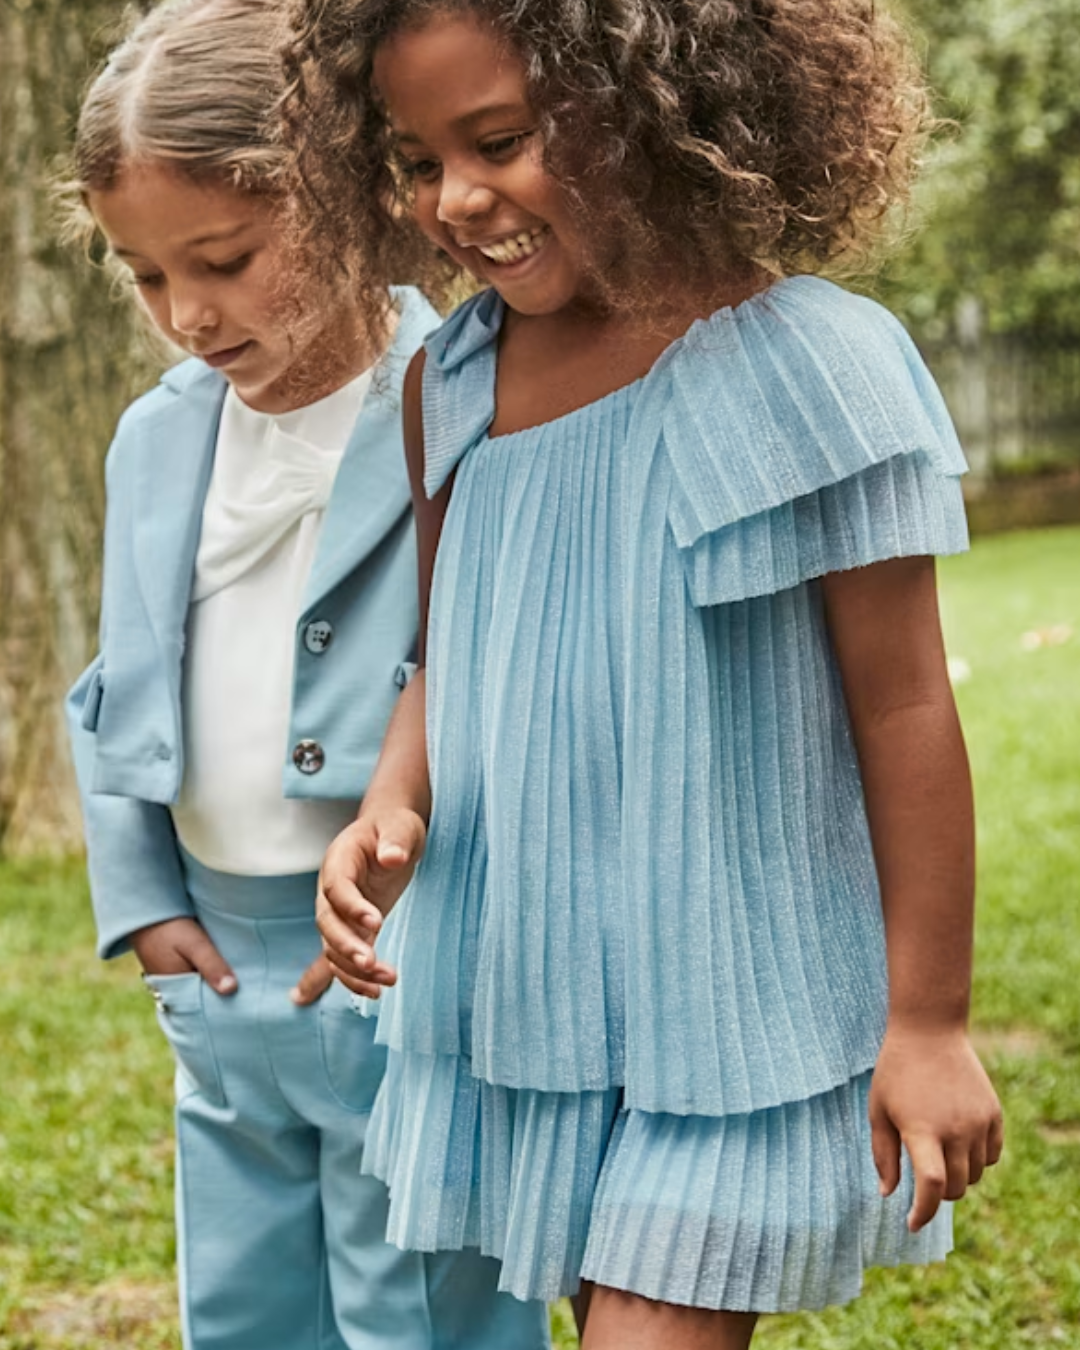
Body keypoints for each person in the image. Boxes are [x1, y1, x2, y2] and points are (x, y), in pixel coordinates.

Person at [282, 1, 1005, 1346]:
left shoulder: (809, 365)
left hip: (739, 1012)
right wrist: (389, 802)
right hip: (537, 997)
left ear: (655, 97)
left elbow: (904, 705)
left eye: (500, 139)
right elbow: (455, 641)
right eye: (417, 158)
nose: (457, 198)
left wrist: (930, 1016)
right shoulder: (453, 378)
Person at [62, 2, 551, 1348]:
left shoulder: (471, 400)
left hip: (412, 947)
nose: (186, 313)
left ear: (340, 193)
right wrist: (141, 896)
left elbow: (497, 670)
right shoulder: (155, 441)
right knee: (244, 1292)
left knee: (427, 1297)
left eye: (223, 258)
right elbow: (118, 679)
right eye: (146, 275)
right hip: (218, 961)